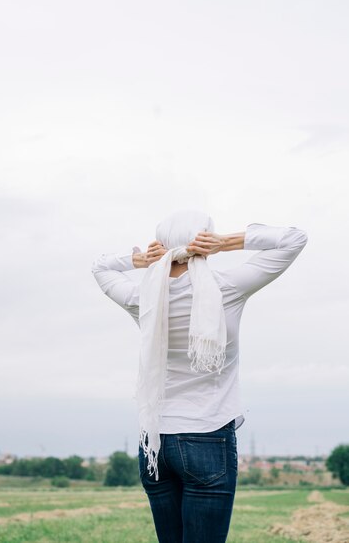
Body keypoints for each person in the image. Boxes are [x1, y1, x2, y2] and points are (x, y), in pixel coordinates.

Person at [91, 209, 308, 543]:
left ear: (160, 245)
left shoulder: (142, 298)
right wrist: (226, 243)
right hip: (206, 435)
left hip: (155, 444)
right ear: (204, 242)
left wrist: (140, 261)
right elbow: (294, 239)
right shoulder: (226, 288)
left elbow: (100, 266)